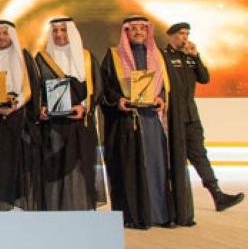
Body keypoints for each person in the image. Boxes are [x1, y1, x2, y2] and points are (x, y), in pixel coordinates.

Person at [100, 16, 180, 229]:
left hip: (153, 121)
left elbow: (167, 86)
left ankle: (160, 214)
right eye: (133, 29)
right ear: (126, 32)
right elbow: (105, 87)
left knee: (157, 167)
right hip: (128, 123)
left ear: (147, 32)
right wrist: (119, 100)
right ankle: (136, 216)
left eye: (141, 29)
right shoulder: (114, 57)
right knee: (131, 169)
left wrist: (160, 97)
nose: (137, 32)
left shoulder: (158, 56)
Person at [163, 22, 243, 214]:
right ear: (171, 36)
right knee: (173, 159)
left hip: (191, 116)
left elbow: (204, 78)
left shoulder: (190, 57)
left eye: (187, 33)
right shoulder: (162, 56)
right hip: (171, 117)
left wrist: (196, 57)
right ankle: (174, 202)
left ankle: (218, 195)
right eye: (181, 33)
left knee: (200, 155)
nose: (185, 37)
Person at [34, 16, 104, 211]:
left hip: (79, 124)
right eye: (55, 31)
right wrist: (41, 107)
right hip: (52, 127)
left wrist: (83, 107)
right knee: (54, 170)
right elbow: (36, 88)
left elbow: (97, 88)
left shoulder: (87, 58)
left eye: (63, 30)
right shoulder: (41, 59)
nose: (59, 34)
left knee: (78, 170)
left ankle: (79, 209)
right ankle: (54, 211)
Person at [0, 20, 43, 211]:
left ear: (11, 35)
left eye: (5, 33)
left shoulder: (24, 57)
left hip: (19, 119)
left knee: (20, 166)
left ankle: (19, 211)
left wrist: (15, 105)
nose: (1, 37)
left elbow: (33, 87)